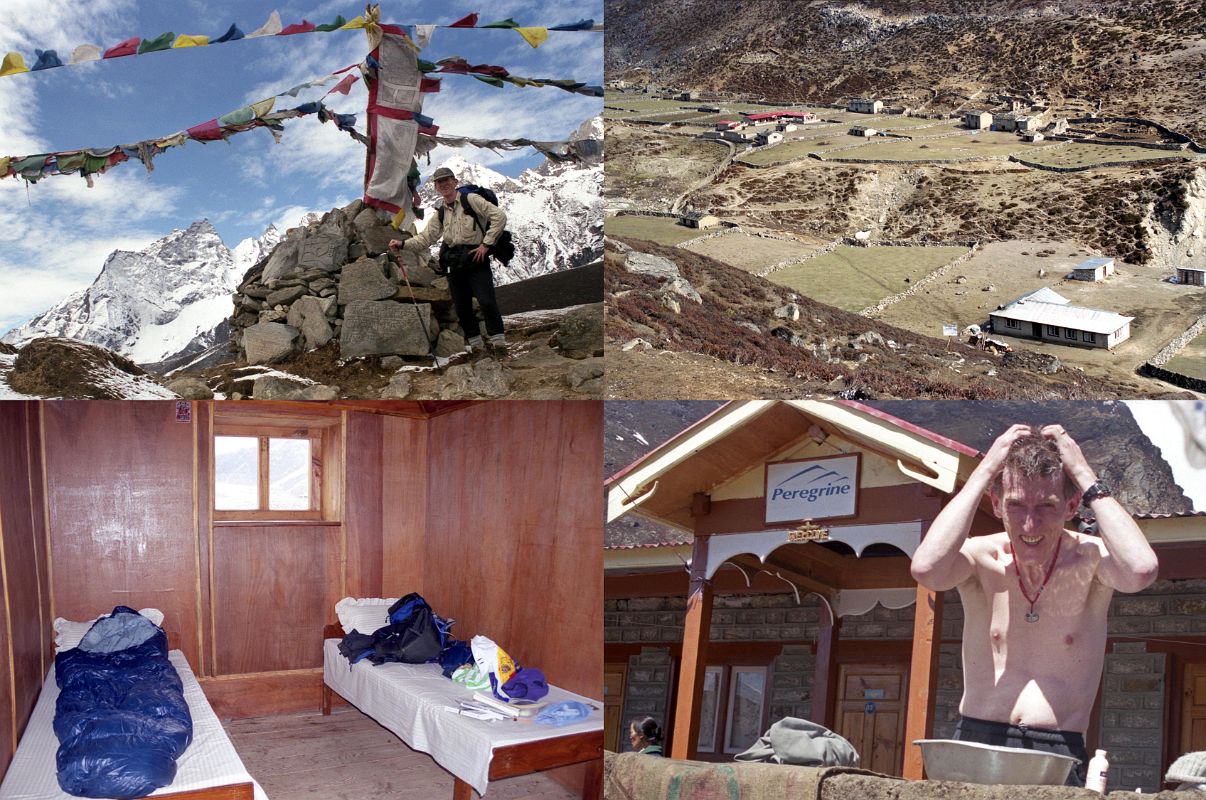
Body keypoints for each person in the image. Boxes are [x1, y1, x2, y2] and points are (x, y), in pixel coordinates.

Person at [910, 424, 1158, 786]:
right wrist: (984, 471)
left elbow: (1141, 569)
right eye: (1015, 505)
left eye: (1046, 505)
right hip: (979, 740)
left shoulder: (1091, 563)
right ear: (996, 504)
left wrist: (1083, 473)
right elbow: (927, 568)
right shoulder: (982, 558)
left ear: (1072, 505)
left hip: (1057, 749)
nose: (1030, 523)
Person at [389, 166, 507, 356]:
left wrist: (486, 244)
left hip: (476, 256)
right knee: (462, 306)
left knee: (486, 301)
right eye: (439, 182)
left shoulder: (471, 200)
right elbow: (426, 238)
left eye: (447, 180)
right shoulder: (441, 213)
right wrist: (402, 244)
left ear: (455, 182)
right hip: (454, 261)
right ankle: (477, 347)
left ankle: (499, 344)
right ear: (435, 186)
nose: (444, 184)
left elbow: (499, 217)